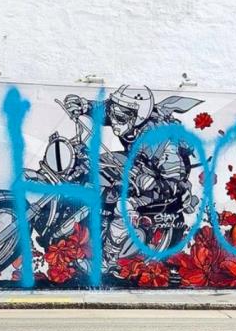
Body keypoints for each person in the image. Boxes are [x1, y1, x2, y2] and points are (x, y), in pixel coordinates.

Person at [63, 85, 202, 267]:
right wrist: (83, 106)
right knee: (89, 164)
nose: (113, 120)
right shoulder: (127, 116)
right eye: (113, 112)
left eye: (119, 116)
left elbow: (175, 181)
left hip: (161, 180)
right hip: (136, 161)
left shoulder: (160, 142)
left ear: (139, 117)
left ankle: (107, 258)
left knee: (123, 206)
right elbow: (104, 110)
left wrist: (153, 182)